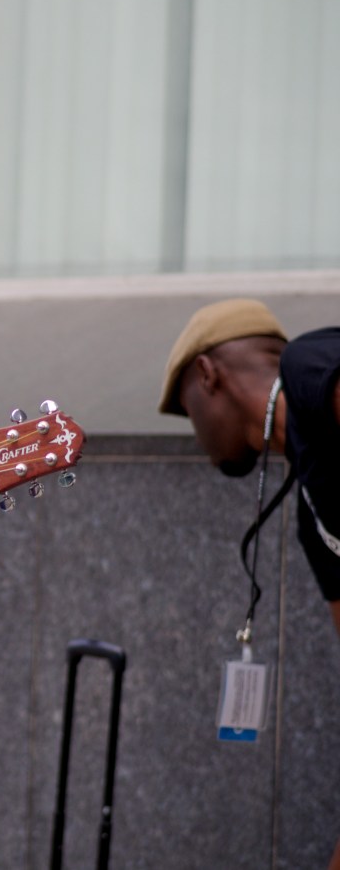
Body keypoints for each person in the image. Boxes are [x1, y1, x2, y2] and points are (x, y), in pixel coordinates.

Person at [158, 297, 340, 870]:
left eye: (187, 410)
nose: (198, 437)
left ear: (207, 375)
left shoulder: (312, 365)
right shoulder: (314, 515)